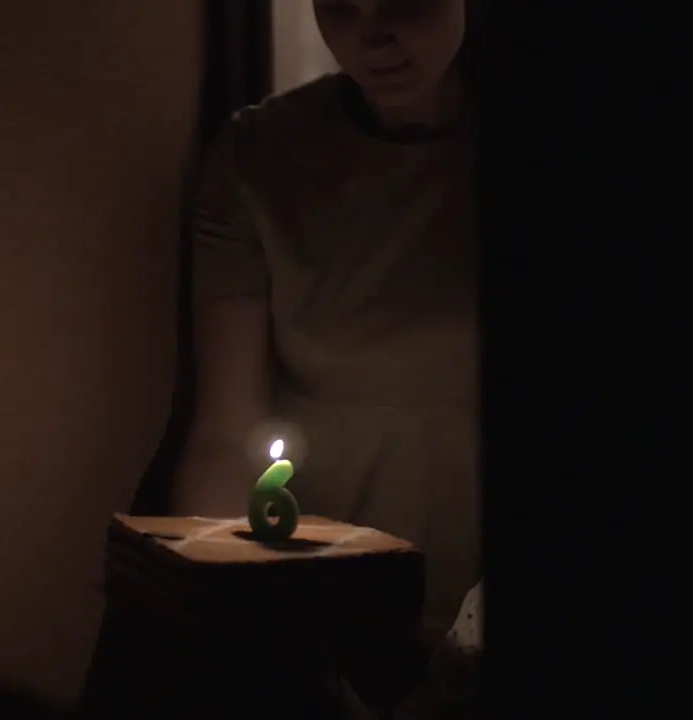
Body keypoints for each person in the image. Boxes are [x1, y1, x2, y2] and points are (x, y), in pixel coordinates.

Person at [170, 0, 480, 657]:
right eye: (341, 7)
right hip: (328, 591)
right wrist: (220, 619)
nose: (374, 37)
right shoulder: (260, 156)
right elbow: (226, 433)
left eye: (405, 2)